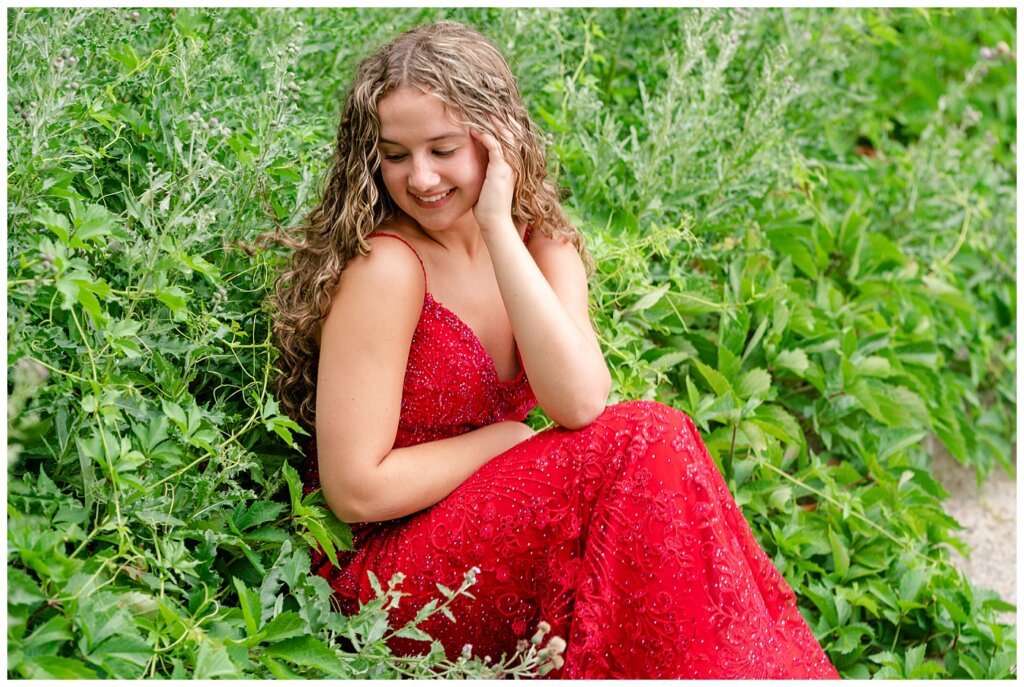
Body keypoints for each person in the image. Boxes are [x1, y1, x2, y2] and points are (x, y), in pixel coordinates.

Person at [269, 20, 839, 679]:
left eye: (443, 149)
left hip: (494, 533)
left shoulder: (542, 243)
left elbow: (579, 400)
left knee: (652, 437)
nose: (419, 177)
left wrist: (496, 228)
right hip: (391, 576)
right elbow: (354, 490)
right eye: (395, 154)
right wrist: (505, 438)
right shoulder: (388, 271)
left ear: (498, 139)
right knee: (643, 438)